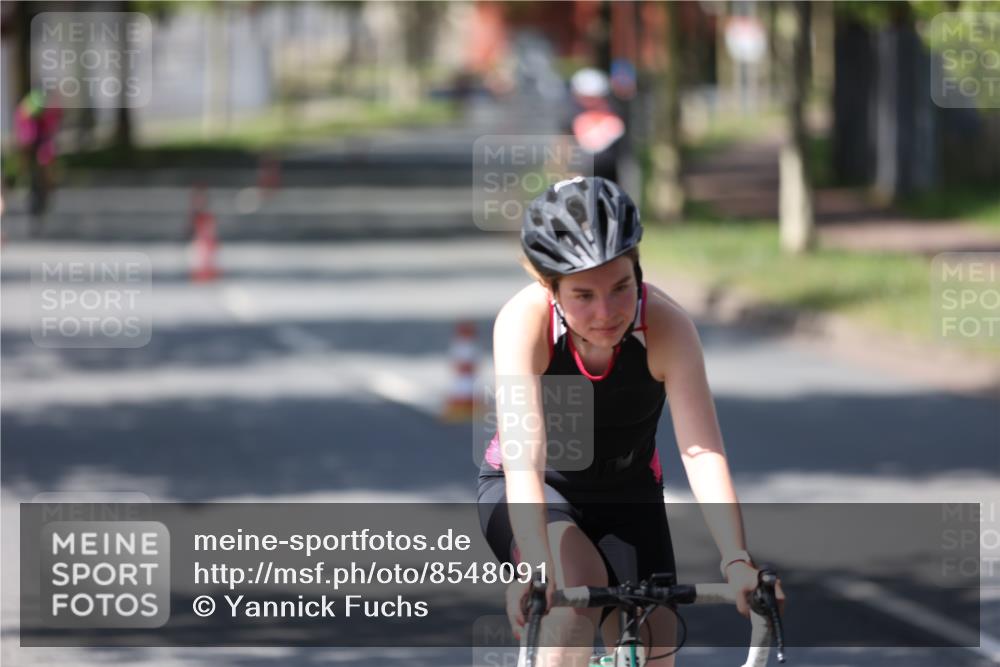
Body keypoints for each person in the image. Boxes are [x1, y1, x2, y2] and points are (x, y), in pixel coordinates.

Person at [477, 176, 783, 666]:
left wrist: (736, 560)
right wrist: (534, 566)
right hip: (541, 488)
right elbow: (524, 455)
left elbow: (702, 452)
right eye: (583, 295)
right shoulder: (524, 322)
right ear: (550, 288)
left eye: (621, 287)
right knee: (574, 600)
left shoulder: (666, 325)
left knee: (655, 645)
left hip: (628, 492)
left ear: (638, 269)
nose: (606, 313)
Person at [14, 89, 62, 229]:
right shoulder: (26, 111)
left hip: (40, 141)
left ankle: (47, 184)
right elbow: (25, 138)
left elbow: (49, 133)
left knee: (45, 162)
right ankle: (27, 181)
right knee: (32, 162)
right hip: (32, 141)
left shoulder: (47, 111)